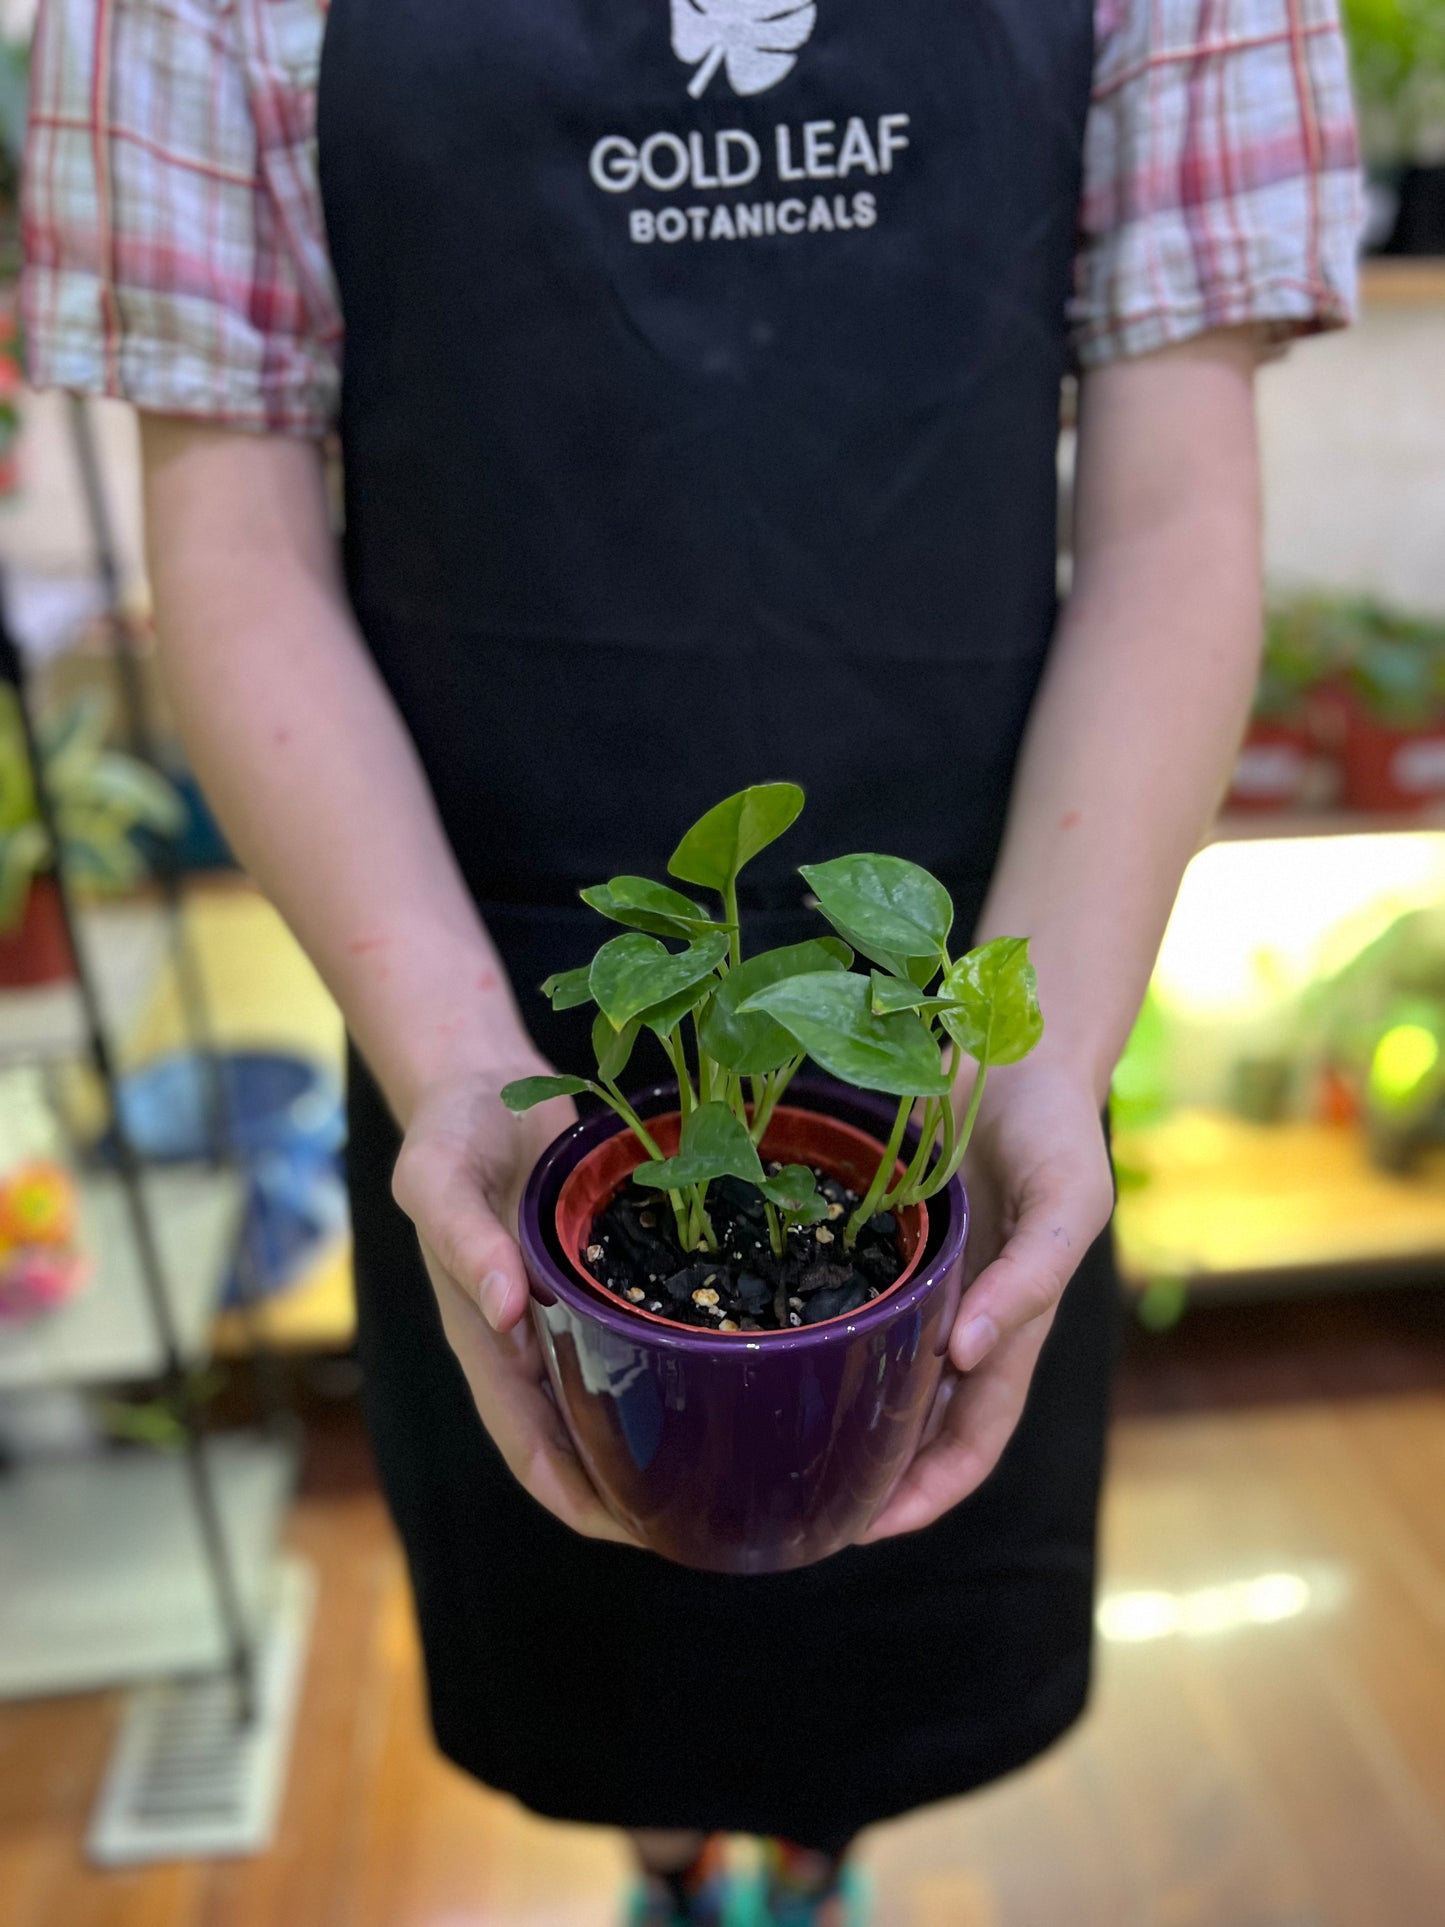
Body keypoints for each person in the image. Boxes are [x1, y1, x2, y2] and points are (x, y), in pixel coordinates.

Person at [24, 1, 1360, 1920]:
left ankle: (808, 1864)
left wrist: (1032, 1054)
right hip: (492, 1014)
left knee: (899, 1589)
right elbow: (230, 543)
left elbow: (1171, 514)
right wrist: (457, 1070)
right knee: (591, 1617)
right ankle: (672, 1863)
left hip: (963, 999)